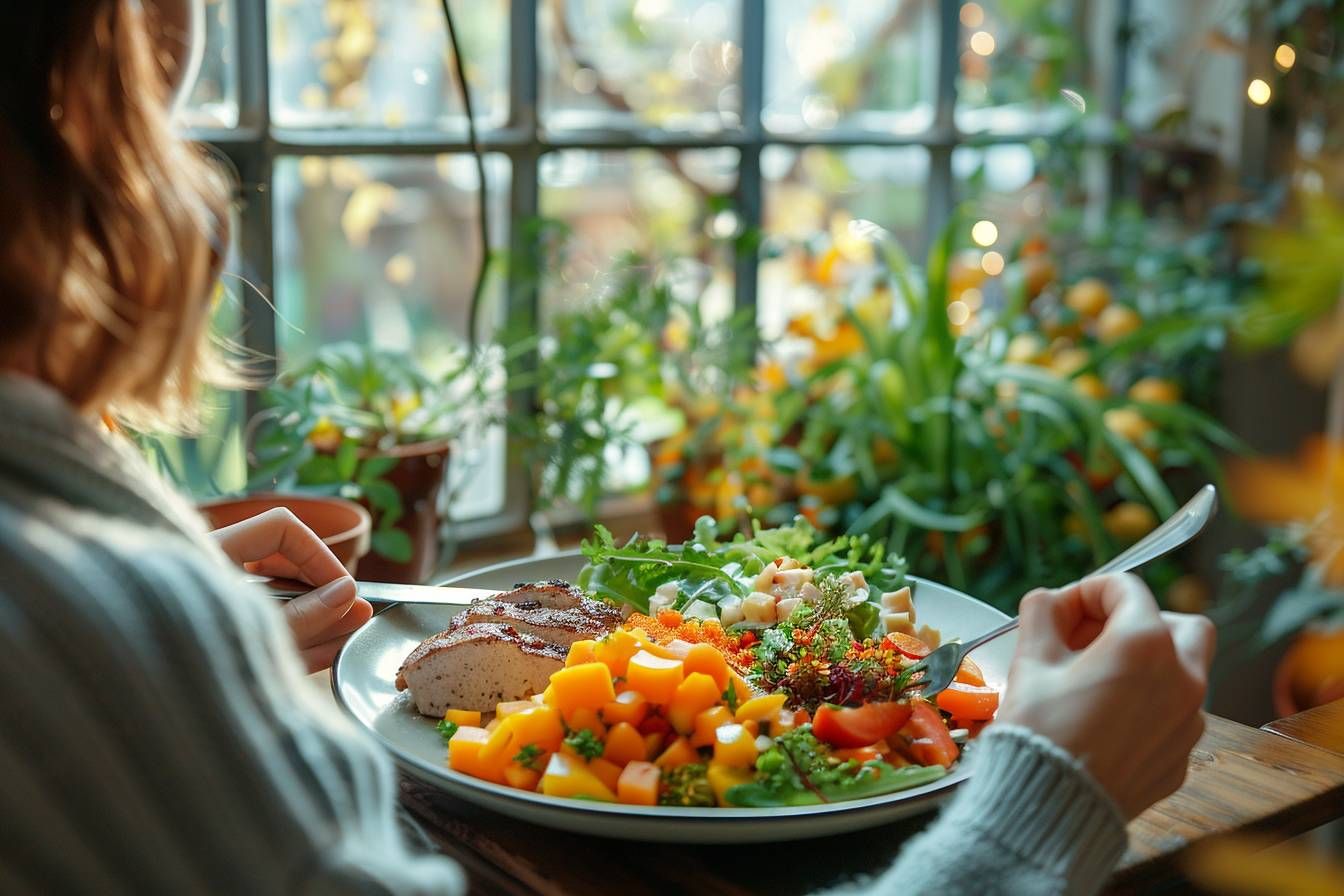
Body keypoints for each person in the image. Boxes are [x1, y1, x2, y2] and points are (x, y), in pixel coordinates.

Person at [0, 2, 1215, 894]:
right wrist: (1052, 788)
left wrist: (186, 649)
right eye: (170, 100)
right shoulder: (65, 608)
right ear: (86, 109)